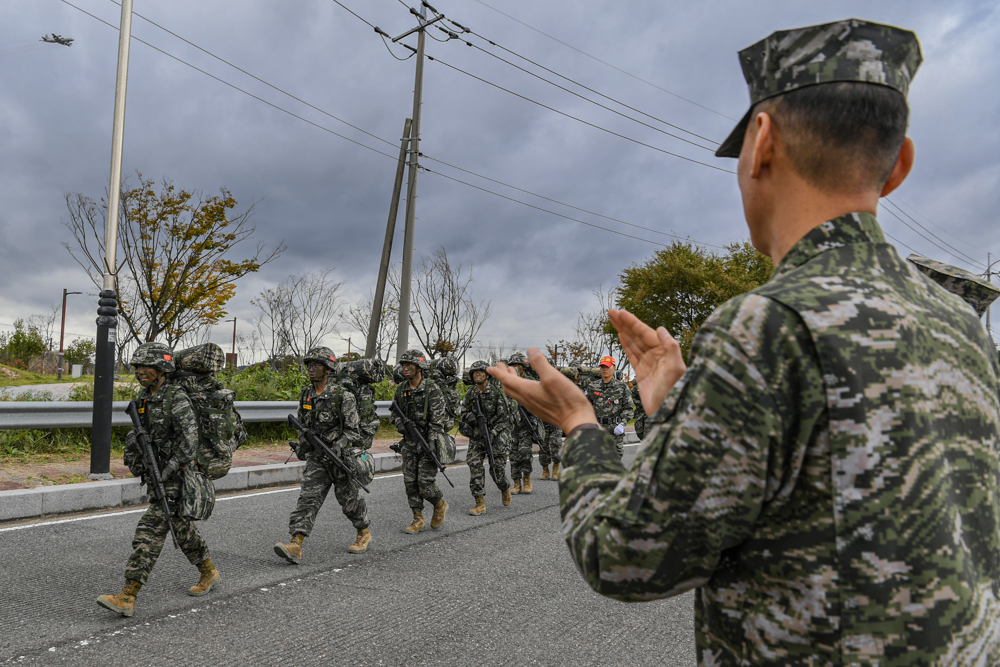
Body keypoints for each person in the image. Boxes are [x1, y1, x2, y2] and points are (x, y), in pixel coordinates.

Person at [490, 19, 1000, 665]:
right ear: (899, 165)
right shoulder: (957, 323)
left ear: (761, 142)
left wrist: (580, 424)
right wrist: (676, 401)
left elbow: (627, 557)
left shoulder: (770, 321)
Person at [97, 343, 219, 617]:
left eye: (146, 367)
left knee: (149, 531)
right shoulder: (143, 398)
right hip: (156, 473)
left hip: (177, 476)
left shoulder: (176, 398)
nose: (140, 371)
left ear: (162, 369)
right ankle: (209, 572)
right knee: (181, 528)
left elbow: (190, 443)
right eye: (137, 367)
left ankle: (128, 594)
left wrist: (169, 469)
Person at [274, 347, 370, 562]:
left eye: (316, 365)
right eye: (309, 365)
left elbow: (353, 431)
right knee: (307, 500)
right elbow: (301, 424)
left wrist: (339, 445)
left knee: (349, 501)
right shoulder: (306, 394)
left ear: (328, 369)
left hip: (339, 457)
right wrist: (303, 444)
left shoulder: (343, 396)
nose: (311, 369)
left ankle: (363, 532)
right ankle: (295, 543)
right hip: (317, 458)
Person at [391, 349, 450, 533]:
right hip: (409, 442)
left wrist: (432, 440)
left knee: (425, 484)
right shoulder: (401, 389)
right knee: (410, 482)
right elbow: (394, 412)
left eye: (410, 366)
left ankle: (439, 503)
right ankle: (417, 518)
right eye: (404, 366)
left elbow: (438, 418)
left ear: (419, 368)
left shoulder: (431, 388)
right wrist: (400, 423)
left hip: (427, 442)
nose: (406, 369)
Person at [458, 360, 513, 514]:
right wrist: (473, 418)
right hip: (477, 435)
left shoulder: (497, 392)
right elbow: (464, 411)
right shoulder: (471, 393)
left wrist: (493, 432)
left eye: (480, 372)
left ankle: (504, 487)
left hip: (496, 437)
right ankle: (479, 503)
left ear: (487, 374)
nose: (477, 375)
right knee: (474, 464)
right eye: (474, 373)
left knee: (497, 472)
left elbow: (505, 418)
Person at [505, 352, 542, 494]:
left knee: (525, 452)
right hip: (511, 425)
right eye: (512, 366)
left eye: (517, 366)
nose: (514, 368)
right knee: (513, 455)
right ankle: (516, 482)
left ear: (523, 367)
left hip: (526, 424)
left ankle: (526, 477)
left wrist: (533, 420)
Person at [585, 356, 633, 457]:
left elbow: (628, 408)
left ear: (614, 368)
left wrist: (623, 424)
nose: (604, 369)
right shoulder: (592, 386)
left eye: (607, 367)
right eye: (602, 367)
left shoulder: (622, 387)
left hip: (615, 430)